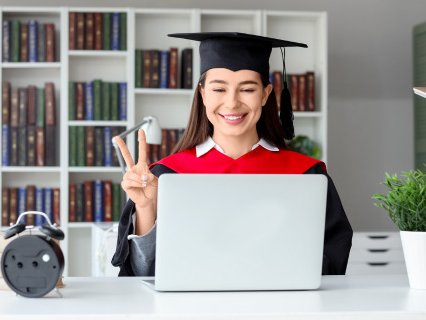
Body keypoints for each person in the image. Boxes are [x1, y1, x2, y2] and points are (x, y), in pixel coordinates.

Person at [112, 32, 353, 277]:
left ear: (265, 94)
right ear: (203, 94)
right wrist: (144, 208)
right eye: (219, 88)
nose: (232, 103)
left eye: (247, 89)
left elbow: (331, 266)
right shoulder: (165, 175)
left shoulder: (307, 175)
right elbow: (143, 274)